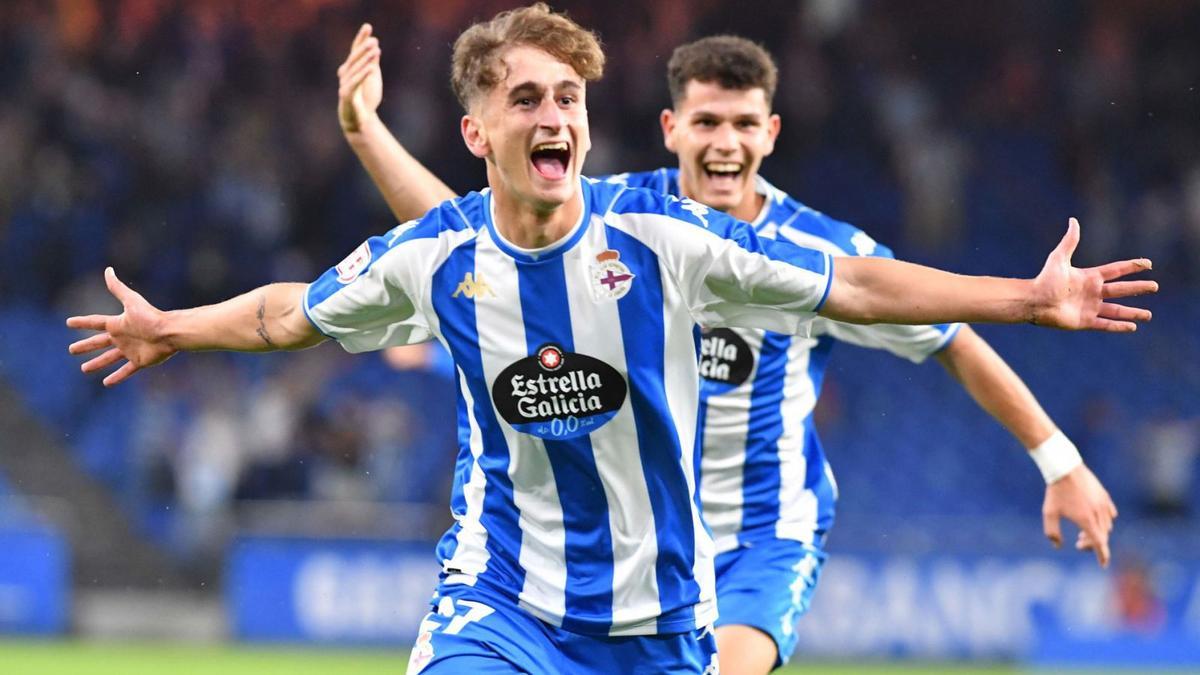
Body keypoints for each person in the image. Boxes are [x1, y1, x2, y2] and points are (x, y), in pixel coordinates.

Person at [69, 5, 1156, 674]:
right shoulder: (468, 248)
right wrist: (174, 325)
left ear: (769, 135)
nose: (555, 116)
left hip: (693, 586)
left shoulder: (678, 241)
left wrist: (1027, 305)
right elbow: (303, 302)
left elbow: (874, 292)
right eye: (529, 99)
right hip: (506, 599)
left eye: (570, 97)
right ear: (673, 128)